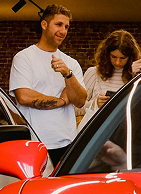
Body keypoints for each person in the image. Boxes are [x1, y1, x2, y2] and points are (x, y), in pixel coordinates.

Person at [9, 4, 87, 163]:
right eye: (58, 24)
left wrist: (68, 75)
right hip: (34, 142)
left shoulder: (70, 63)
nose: (63, 31)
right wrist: (62, 100)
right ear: (44, 24)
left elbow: (80, 101)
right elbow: (23, 96)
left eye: (66, 27)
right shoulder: (24, 58)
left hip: (67, 140)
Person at [77, 30, 141, 129]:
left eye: (123, 58)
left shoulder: (136, 76)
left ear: (130, 57)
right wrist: (95, 104)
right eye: (113, 56)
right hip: (97, 133)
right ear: (107, 54)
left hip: (124, 132)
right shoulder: (94, 73)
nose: (117, 62)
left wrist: (136, 77)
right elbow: (75, 109)